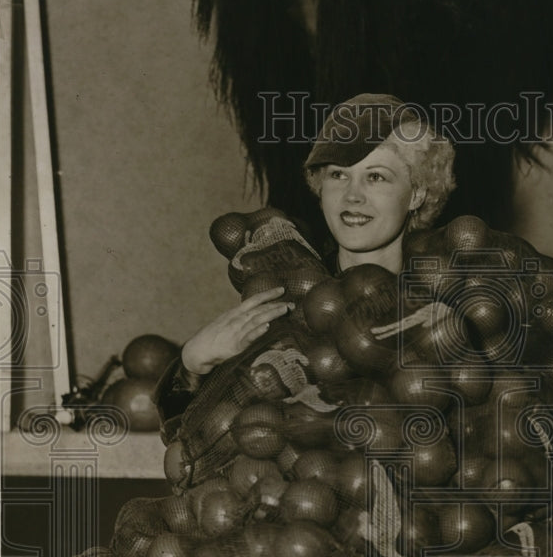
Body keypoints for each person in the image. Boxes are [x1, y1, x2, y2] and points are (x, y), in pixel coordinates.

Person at [155, 93, 456, 421]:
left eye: (376, 176)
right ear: (319, 186)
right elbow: (201, 432)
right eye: (338, 175)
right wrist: (193, 365)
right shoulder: (285, 294)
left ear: (416, 194)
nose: (352, 196)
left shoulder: (449, 298)